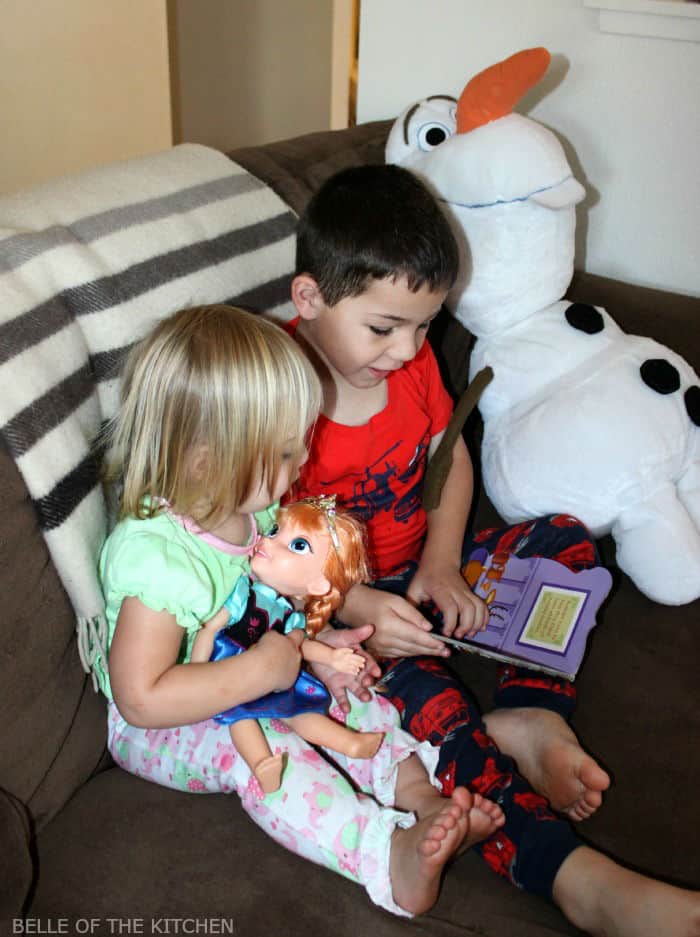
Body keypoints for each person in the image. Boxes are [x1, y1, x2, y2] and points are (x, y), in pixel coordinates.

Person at [285, 164, 700, 936]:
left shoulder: (408, 370)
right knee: (433, 721)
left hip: (426, 571)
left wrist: (443, 561)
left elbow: (450, 452)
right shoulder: (274, 390)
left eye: (426, 325)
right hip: (349, 613)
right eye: (385, 327)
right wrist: (353, 599)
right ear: (308, 298)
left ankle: (529, 713)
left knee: (566, 540)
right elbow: (262, 536)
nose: (411, 349)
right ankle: (576, 878)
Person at [96, 302, 505, 918]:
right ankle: (384, 856)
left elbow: (274, 601)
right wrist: (264, 674)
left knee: (352, 693)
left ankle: (417, 793)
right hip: (164, 724)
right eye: (285, 452)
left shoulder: (251, 512)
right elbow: (142, 698)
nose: (300, 466)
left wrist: (330, 646)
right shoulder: (158, 561)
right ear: (207, 459)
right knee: (262, 752)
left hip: (253, 668)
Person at [191, 496, 385, 794]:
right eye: (273, 531)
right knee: (241, 717)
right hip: (231, 672)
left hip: (275, 677)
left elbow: (302, 647)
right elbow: (209, 630)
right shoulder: (243, 592)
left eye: (297, 545)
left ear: (318, 585)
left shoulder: (290, 617)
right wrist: (196, 674)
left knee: (298, 710)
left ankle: (350, 742)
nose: (269, 542)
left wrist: (334, 659)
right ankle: (261, 765)